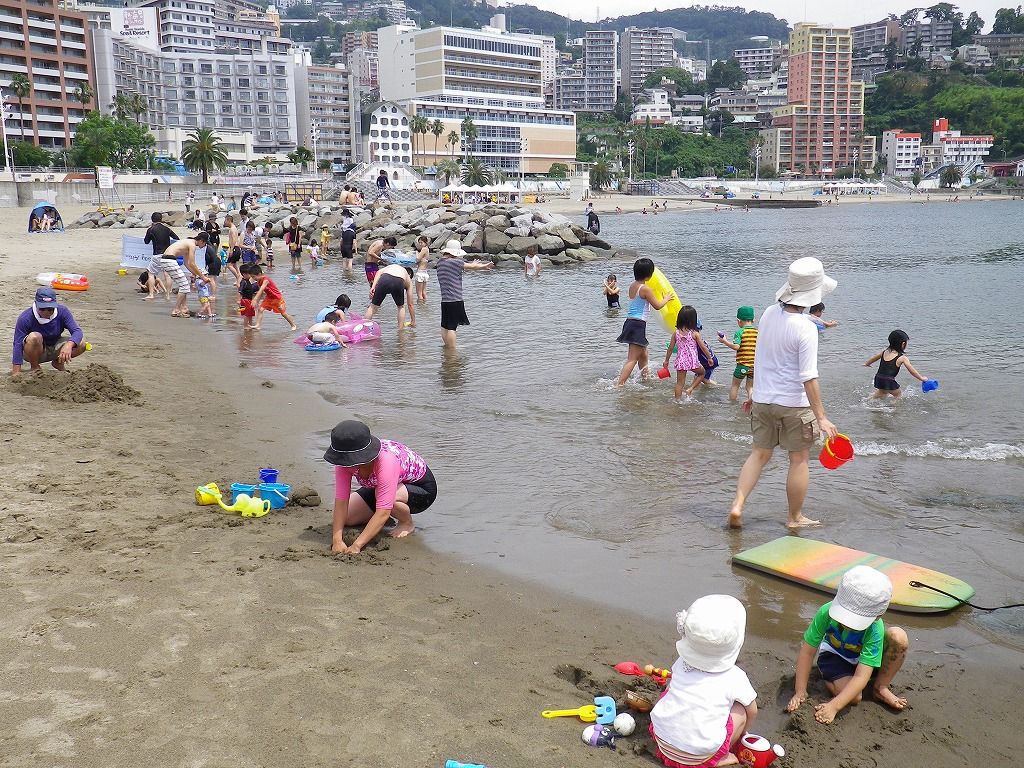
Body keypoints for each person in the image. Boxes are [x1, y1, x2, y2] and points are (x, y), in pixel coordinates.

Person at [727, 257, 839, 529]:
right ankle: (794, 517)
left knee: (758, 454)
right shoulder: (806, 328)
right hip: (794, 406)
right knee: (799, 459)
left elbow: (763, 356)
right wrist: (821, 417)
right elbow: (808, 377)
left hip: (764, 401)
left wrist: (755, 394)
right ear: (813, 295)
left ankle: (738, 505)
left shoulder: (767, 313)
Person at [786, 566, 909, 723]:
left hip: (863, 660)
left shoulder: (875, 628)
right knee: (855, 698)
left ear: (879, 615)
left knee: (899, 637)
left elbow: (861, 675)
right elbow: (807, 652)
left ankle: (880, 687)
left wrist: (834, 706)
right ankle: (830, 678)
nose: (848, 624)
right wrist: (800, 690)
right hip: (836, 655)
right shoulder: (826, 612)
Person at [650, 595, 757, 768]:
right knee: (741, 711)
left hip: (663, 743)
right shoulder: (735, 676)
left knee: (670, 690)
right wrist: (742, 731)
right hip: (699, 758)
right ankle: (721, 756)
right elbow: (752, 712)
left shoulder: (681, 663)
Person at [325, 419, 437, 553]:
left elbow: (383, 511)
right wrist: (337, 540)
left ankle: (406, 523)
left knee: (384, 502)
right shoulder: (343, 462)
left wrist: (356, 546)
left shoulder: (386, 461)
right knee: (348, 517)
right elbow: (341, 501)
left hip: (420, 489)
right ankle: (377, 520)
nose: (345, 463)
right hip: (380, 486)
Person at [615, 258, 676, 386]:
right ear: (649, 274)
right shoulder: (645, 289)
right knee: (632, 358)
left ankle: (645, 377)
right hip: (637, 324)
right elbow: (658, 306)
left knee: (643, 353)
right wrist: (666, 298)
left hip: (631, 322)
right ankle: (619, 384)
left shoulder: (633, 285)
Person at [11, 287, 86, 377]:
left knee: (81, 343)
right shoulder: (25, 317)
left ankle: (58, 362)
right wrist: (16, 372)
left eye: (50, 309)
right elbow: (17, 343)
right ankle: (35, 367)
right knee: (35, 337)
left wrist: (69, 345)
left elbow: (77, 331)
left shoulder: (62, 312)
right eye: (42, 309)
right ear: (36, 304)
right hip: (34, 351)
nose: (46, 312)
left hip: (54, 346)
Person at [435, 239, 493, 349]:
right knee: (452, 327)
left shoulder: (440, 262)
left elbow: (467, 266)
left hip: (445, 300)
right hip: (455, 299)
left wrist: (473, 264)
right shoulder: (455, 262)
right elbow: (472, 267)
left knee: (444, 325)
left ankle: (446, 348)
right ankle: (452, 351)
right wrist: (484, 266)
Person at [152, 232, 210, 318]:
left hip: (166, 260)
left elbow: (187, 263)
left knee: (184, 284)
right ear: (201, 240)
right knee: (185, 286)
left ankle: (184, 308)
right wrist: (203, 277)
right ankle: (176, 310)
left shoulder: (189, 243)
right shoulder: (192, 245)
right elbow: (192, 263)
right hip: (169, 260)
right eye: (205, 243)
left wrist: (195, 274)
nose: (204, 246)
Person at [663, 305, 712, 399]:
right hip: (692, 360)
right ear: (693, 320)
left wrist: (666, 361)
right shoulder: (694, 334)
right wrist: (709, 358)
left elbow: (670, 348)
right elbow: (703, 347)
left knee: (679, 383)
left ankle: (677, 401)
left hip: (681, 360)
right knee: (702, 373)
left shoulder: (676, 333)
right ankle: (690, 389)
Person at [865, 330, 928, 399]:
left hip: (878, 378)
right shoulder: (902, 358)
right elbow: (912, 371)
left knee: (882, 391)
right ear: (903, 344)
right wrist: (922, 378)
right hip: (888, 380)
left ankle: (869, 400)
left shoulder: (884, 352)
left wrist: (867, 364)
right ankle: (893, 408)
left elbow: (874, 358)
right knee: (898, 394)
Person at [718, 306, 758, 403]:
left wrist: (725, 341)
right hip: (754, 366)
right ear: (753, 320)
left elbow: (736, 347)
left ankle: (732, 405)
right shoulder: (758, 332)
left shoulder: (740, 332)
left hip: (742, 366)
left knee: (735, 386)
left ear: (739, 321)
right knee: (750, 387)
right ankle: (750, 402)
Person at [365, 263, 416, 329]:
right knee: (401, 307)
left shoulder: (392, 266)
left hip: (384, 278)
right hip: (398, 282)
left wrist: (373, 287)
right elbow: (410, 304)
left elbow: (378, 272)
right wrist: (413, 321)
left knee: (372, 307)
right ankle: (400, 331)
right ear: (409, 275)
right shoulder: (408, 280)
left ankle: (364, 327)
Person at [248, 265, 296, 330]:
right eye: (252, 277)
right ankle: (257, 325)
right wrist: (257, 301)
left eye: (253, 276)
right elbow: (261, 292)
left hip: (277, 298)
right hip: (269, 298)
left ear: (259, 274)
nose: (253, 278)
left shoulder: (266, 280)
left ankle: (293, 325)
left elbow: (262, 289)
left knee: (283, 313)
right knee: (260, 309)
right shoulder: (258, 281)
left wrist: (255, 299)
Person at [143, 212, 177, 300]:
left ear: (152, 219)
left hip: (157, 254)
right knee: (168, 275)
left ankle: (151, 294)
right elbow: (176, 238)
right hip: (168, 254)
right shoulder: (167, 229)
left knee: (150, 273)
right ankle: (168, 295)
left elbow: (146, 241)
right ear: (161, 219)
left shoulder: (151, 229)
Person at [414, 235, 430, 302]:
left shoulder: (424, 249)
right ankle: (424, 307)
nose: (420, 244)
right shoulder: (427, 250)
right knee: (423, 292)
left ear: (425, 243)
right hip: (425, 273)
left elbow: (417, 259)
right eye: (419, 242)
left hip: (420, 273)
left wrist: (416, 253)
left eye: (421, 242)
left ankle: (420, 308)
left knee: (419, 294)